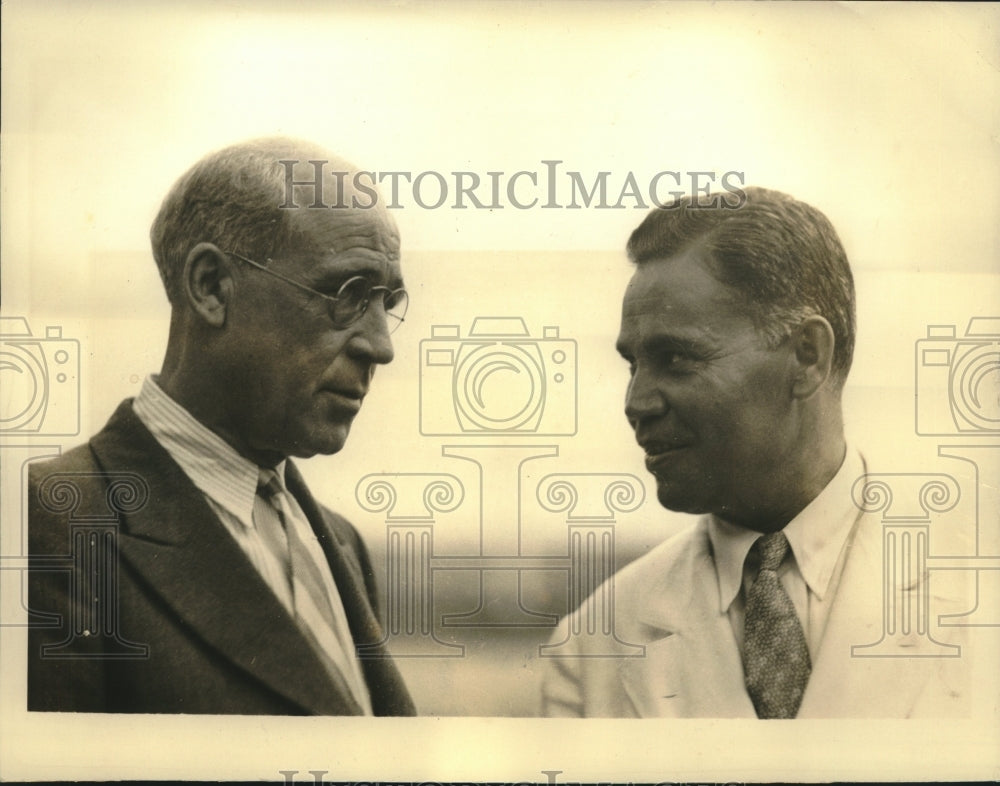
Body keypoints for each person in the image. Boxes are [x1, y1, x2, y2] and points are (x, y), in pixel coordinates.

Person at [540, 187, 968, 718]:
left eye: (676, 358)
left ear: (807, 356)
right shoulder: (593, 647)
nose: (637, 403)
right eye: (633, 365)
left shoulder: (978, 592)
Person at [28, 138, 415, 715]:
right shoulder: (46, 524)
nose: (381, 347)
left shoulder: (341, 543)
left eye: (388, 301)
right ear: (210, 286)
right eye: (347, 294)